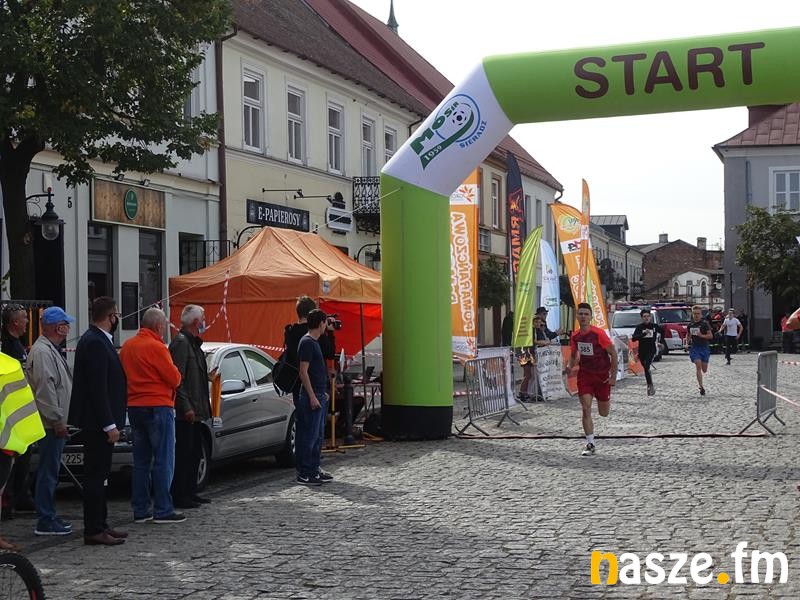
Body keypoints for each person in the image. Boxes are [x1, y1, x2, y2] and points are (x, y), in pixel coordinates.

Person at [68, 296, 128, 546]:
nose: (118, 320)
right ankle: (93, 528)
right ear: (110, 317)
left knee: (102, 475)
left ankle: (101, 523)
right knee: (95, 476)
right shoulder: (94, 342)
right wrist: (109, 424)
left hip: (100, 421)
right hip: (97, 424)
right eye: (116, 315)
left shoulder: (100, 340)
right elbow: (97, 388)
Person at [120, 308, 184, 524]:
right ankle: (163, 509)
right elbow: (174, 378)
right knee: (163, 459)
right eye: (164, 324)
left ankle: (140, 509)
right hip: (158, 405)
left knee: (141, 461)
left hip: (134, 406)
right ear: (158, 326)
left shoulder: (128, 346)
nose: (165, 328)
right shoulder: (157, 347)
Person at [26, 307, 75, 536]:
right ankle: (45, 518)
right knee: (48, 471)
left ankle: (48, 515)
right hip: (49, 424)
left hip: (52, 421)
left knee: (51, 471)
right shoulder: (43, 352)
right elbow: (45, 389)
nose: (68, 328)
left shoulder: (47, 350)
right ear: (58, 327)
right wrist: (57, 420)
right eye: (66, 324)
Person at [169, 305, 215, 509]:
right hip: (185, 412)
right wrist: (186, 407)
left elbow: (193, 374)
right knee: (184, 454)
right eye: (203, 319)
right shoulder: (181, 343)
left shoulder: (193, 343)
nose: (205, 322)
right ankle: (180, 494)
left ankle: (190, 491)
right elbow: (177, 379)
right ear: (196, 322)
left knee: (195, 452)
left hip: (197, 409)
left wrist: (207, 377)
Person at [562, 302, 618, 457]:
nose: (583, 317)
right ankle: (590, 443)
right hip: (585, 375)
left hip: (602, 377)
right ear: (577, 316)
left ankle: (605, 401)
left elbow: (613, 354)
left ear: (591, 317)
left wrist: (613, 376)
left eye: (586, 314)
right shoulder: (575, 336)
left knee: (603, 412)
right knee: (585, 408)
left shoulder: (598, 334)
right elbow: (574, 354)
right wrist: (570, 366)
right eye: (580, 314)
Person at [0, 303, 35, 520]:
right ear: (14, 322)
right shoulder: (7, 347)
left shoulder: (17, 344)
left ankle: (19, 497)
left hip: (20, 411)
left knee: (24, 456)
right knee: (10, 460)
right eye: (24, 318)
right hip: (10, 414)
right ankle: (8, 502)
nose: (27, 322)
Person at [295, 309, 332, 485]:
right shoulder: (307, 342)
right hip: (312, 395)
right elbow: (303, 371)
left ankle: (314, 468)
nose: (326, 326)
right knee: (309, 436)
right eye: (325, 322)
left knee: (317, 436)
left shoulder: (314, 342)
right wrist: (312, 396)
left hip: (319, 393)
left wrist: (322, 391)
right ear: (321, 323)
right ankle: (305, 472)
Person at [631, 308, 663, 397]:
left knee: (647, 365)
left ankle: (649, 386)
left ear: (650, 317)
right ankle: (650, 384)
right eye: (644, 316)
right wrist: (644, 334)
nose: (646, 318)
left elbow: (663, 331)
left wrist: (661, 342)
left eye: (648, 316)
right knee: (646, 368)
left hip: (651, 350)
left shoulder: (654, 326)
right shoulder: (639, 327)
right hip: (642, 351)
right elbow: (634, 338)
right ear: (642, 318)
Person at [684, 304, 714, 396]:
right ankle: (701, 387)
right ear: (692, 314)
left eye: (698, 313)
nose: (696, 315)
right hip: (695, 348)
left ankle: (701, 384)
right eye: (694, 313)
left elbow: (710, 336)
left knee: (704, 370)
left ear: (701, 314)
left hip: (704, 347)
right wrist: (686, 343)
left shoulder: (705, 324)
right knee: (698, 366)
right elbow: (688, 335)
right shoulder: (690, 325)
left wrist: (702, 335)